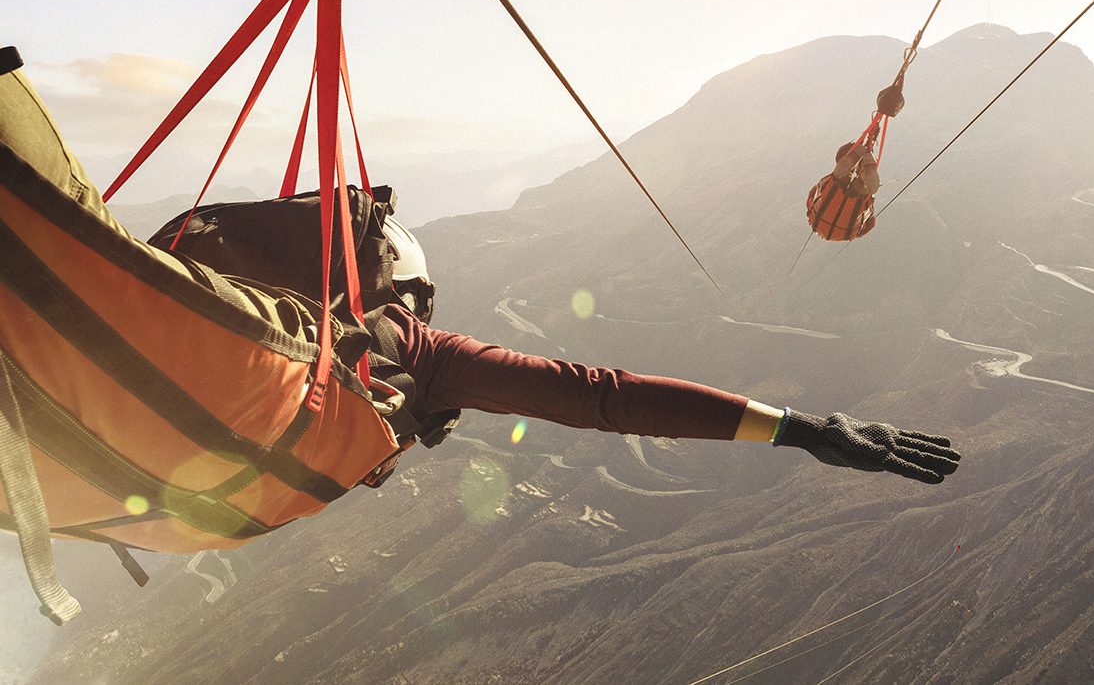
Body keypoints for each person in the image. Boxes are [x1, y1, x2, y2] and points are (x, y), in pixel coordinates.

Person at [0, 49, 960, 486]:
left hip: (115, 365)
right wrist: (799, 429)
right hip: (139, 403)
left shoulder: (255, 297)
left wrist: (802, 427)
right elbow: (599, 395)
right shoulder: (397, 348)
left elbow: (600, 394)